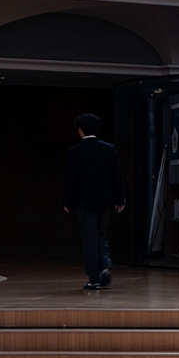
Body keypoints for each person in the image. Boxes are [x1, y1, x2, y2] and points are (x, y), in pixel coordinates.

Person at [62, 113, 124, 291]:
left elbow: (72, 180)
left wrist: (68, 201)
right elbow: (116, 176)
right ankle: (105, 264)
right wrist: (120, 198)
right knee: (102, 233)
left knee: (89, 238)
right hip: (106, 201)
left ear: (81, 130)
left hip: (86, 202)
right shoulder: (109, 148)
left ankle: (94, 278)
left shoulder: (76, 151)